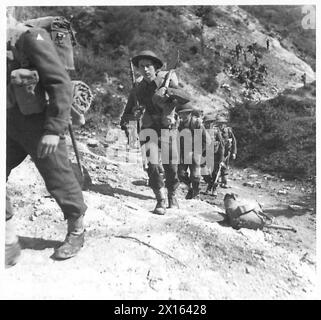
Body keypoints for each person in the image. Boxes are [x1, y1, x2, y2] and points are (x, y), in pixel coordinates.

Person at [6, 13, 87, 266]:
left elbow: (60, 83)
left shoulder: (30, 38)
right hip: (8, 122)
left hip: (38, 123)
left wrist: (54, 129)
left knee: (59, 178)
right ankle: (8, 238)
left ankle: (76, 229)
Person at [121, 50, 190, 215]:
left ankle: (172, 194)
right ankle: (160, 199)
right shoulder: (137, 88)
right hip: (149, 129)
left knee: (171, 167)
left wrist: (169, 92)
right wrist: (133, 116)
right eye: (141, 66)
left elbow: (186, 97)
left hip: (167, 129)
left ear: (155, 67)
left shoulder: (165, 81)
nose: (145, 69)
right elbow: (126, 115)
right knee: (152, 165)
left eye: (148, 66)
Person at [177, 105, 210, 199]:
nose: (182, 116)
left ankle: (195, 192)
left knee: (195, 175)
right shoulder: (180, 124)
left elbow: (207, 140)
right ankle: (190, 188)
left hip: (195, 151)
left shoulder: (197, 124)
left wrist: (199, 151)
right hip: (183, 152)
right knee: (181, 174)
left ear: (189, 114)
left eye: (185, 114)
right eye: (181, 114)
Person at [201, 113, 225, 196]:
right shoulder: (201, 131)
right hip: (204, 155)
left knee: (215, 173)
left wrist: (221, 159)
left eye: (210, 122)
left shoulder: (216, 131)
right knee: (203, 172)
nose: (209, 124)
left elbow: (221, 145)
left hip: (215, 156)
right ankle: (210, 183)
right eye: (207, 122)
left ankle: (214, 188)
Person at [215, 116, 237, 188]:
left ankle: (224, 182)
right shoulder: (215, 131)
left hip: (226, 153)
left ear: (225, 124)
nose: (221, 125)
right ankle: (216, 181)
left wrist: (234, 152)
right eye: (219, 124)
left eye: (222, 124)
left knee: (224, 167)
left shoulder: (228, 131)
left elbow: (234, 141)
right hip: (217, 152)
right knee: (216, 167)